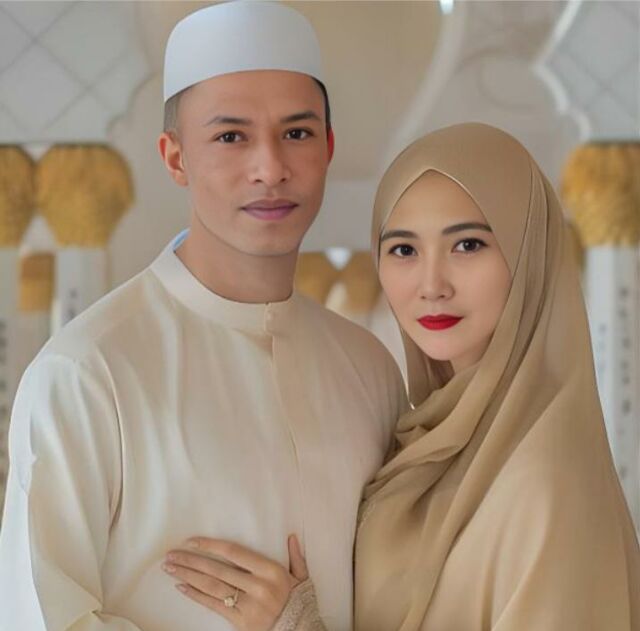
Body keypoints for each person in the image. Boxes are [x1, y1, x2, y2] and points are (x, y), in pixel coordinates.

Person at [0, 3, 407, 630]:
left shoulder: (369, 369)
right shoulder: (87, 372)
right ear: (175, 157)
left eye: (297, 133)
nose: (270, 168)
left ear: (328, 148)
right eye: (231, 137)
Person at [166, 123, 640, 630]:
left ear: (529, 256)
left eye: (468, 245)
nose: (431, 285)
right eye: (404, 250)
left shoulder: (547, 484)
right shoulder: (424, 440)